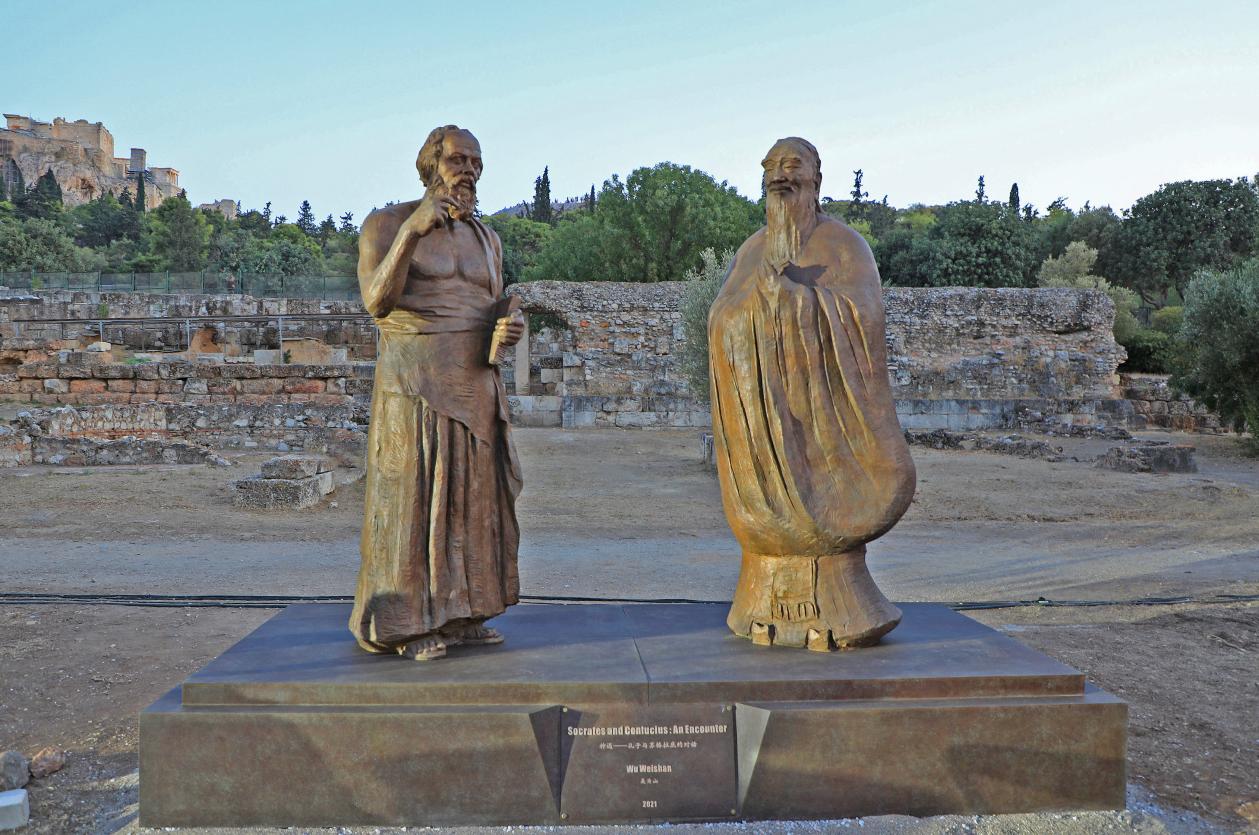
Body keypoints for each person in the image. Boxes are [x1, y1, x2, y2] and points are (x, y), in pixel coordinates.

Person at [707, 137, 916, 651]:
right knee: (765, 522)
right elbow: (720, 317)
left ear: (816, 180)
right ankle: (765, 601)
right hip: (763, 419)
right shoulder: (751, 250)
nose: (780, 176)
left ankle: (840, 603)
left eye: (792, 166)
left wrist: (796, 300)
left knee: (825, 519)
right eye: (771, 168)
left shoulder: (845, 245)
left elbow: (862, 314)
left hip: (820, 418)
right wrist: (754, 312)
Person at [349, 125, 525, 661]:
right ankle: (405, 622)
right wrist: (413, 232)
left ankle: (466, 611)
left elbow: (489, 306)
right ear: (431, 164)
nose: (468, 170)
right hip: (415, 385)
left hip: (475, 385)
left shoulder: (487, 239)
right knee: (414, 502)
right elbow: (376, 302)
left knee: (474, 505)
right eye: (457, 159)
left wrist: (507, 326)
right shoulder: (387, 223)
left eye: (476, 162)